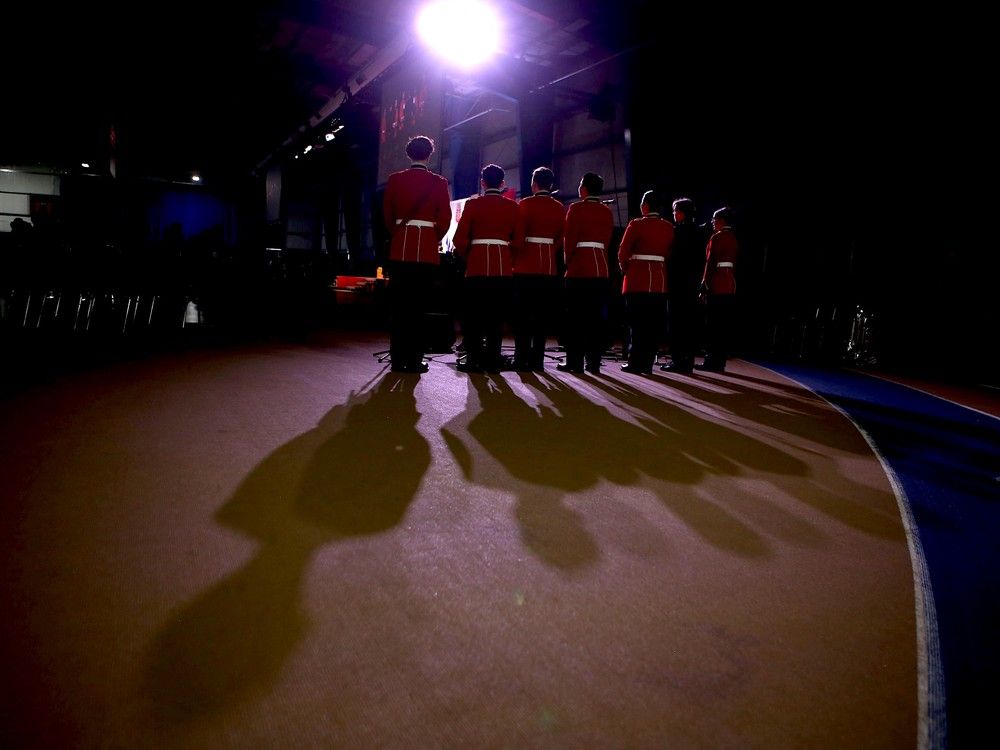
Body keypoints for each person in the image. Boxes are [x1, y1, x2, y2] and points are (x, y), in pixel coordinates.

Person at [382, 135, 452, 373]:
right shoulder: (439, 182)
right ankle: (414, 359)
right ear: (429, 155)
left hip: (400, 250)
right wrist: (432, 239)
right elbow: (444, 220)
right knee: (419, 310)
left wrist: (400, 235)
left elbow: (388, 216)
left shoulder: (395, 180)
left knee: (399, 308)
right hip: (425, 253)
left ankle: (397, 358)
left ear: (408, 154)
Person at [453, 163, 521, 373]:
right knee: (496, 316)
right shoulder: (512, 207)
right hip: (502, 269)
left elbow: (459, 239)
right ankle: (492, 359)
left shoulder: (474, 206)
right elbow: (518, 242)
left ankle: (473, 360)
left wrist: (470, 256)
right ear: (502, 184)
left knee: (473, 316)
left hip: (477, 267)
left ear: (482, 183)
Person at [558, 172, 614, 374]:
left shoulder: (576, 208)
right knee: (595, 320)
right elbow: (607, 241)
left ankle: (574, 362)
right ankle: (594, 363)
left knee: (576, 320)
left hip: (579, 269)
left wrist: (568, 261)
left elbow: (569, 239)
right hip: (600, 269)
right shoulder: (606, 212)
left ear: (583, 189)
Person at [512, 166, 565, 372]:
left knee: (522, 316)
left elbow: (517, 235)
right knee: (542, 317)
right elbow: (561, 237)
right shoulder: (559, 207)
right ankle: (537, 361)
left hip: (525, 264)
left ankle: (521, 359)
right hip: (548, 265)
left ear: (533, 184)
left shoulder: (525, 204)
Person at [617, 190, 673, 374]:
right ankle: (647, 364)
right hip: (658, 281)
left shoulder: (636, 225)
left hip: (638, 280)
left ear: (645, 206)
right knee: (652, 325)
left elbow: (622, 252)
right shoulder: (667, 227)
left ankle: (635, 362)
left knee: (637, 324)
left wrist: (626, 270)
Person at [661, 197, 709, 373]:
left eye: (675, 211)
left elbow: (671, 256)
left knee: (676, 323)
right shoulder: (700, 232)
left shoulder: (676, 232)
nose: (674, 214)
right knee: (690, 323)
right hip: (693, 282)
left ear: (681, 213)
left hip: (677, 282)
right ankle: (687, 360)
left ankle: (678, 360)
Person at [697, 206, 739, 372]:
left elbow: (710, 263)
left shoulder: (717, 237)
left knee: (713, 326)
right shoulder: (734, 238)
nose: (713, 222)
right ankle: (720, 361)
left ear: (721, 220)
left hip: (717, 283)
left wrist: (704, 285)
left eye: (715, 219)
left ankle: (711, 361)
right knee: (723, 326)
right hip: (730, 283)